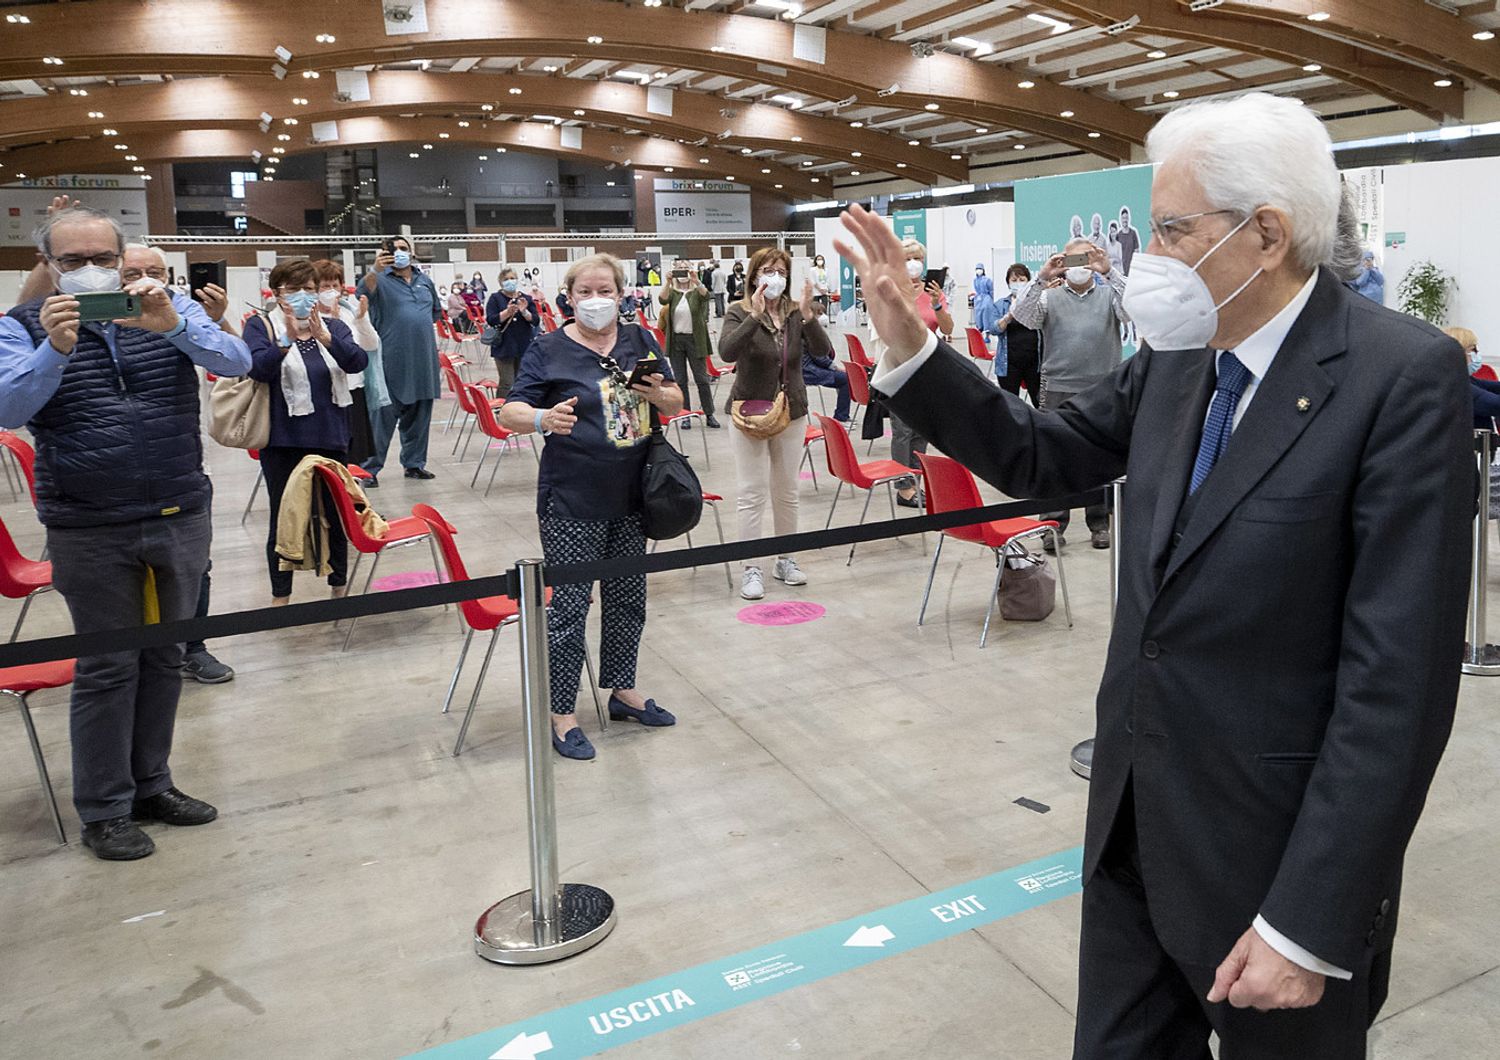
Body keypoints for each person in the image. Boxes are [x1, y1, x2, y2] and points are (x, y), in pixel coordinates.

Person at [839, 90, 1473, 1060]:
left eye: (1173, 231)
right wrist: (914, 346)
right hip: (1136, 839)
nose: (1152, 259)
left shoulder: (1400, 380)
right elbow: (1048, 454)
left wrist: (1308, 919)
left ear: (1265, 234)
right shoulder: (1180, 360)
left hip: (1273, 873)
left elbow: (1397, 690)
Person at [0, 204, 253, 860]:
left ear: (122, 260)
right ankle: (104, 807)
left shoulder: (165, 308)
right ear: (50, 267)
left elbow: (235, 360)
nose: (90, 272)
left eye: (101, 259)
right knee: (108, 666)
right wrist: (53, 351)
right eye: (73, 262)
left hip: (177, 508)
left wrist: (175, 329)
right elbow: (7, 406)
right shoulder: (22, 326)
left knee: (165, 656)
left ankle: (152, 784)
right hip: (89, 524)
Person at [497, 254, 684, 762]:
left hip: (634, 493)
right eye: (585, 291)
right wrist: (541, 418)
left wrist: (659, 392)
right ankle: (562, 713)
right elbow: (510, 410)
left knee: (627, 598)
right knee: (570, 609)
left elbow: (674, 397)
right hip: (572, 497)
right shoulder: (548, 349)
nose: (596, 299)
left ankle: (622, 691)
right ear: (570, 296)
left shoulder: (640, 339)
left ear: (622, 294)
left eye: (606, 289)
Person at [244, 259, 368, 605]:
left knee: (335, 513)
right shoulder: (261, 326)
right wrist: (284, 341)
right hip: (283, 440)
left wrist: (328, 339)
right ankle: (280, 596)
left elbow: (357, 362)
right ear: (277, 293)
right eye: (293, 290)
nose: (303, 297)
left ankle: (339, 588)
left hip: (331, 436)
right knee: (284, 517)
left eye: (310, 290)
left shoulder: (333, 325)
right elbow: (257, 369)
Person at [719, 248, 834, 600]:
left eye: (781, 270)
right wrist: (755, 315)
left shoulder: (794, 313)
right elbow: (726, 352)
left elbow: (823, 353)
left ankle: (786, 558)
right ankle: (751, 567)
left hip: (791, 410)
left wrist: (809, 315)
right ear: (754, 276)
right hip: (749, 412)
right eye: (767, 270)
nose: (774, 277)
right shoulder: (738, 312)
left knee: (786, 492)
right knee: (751, 493)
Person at [1010, 236, 1130, 550]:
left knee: (1101, 459)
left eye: (1086, 259)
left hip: (1102, 388)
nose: (1081, 267)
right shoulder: (1050, 298)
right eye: (1074, 260)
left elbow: (1135, 309)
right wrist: (1041, 277)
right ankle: (1052, 524)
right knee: (1054, 458)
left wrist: (1110, 271)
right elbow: (1022, 316)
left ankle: (1099, 522)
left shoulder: (1108, 295)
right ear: (1063, 262)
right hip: (1057, 388)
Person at [872, 236, 952, 508]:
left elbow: (948, 328)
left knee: (922, 430)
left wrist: (937, 303)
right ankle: (903, 485)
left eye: (917, 258)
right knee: (903, 430)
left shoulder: (933, 292)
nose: (913, 264)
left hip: (929, 367)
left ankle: (917, 478)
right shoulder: (891, 290)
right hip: (901, 367)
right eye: (907, 259)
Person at [361, 236, 441, 484]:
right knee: (382, 418)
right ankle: (369, 470)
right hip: (390, 361)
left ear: (412, 252)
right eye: (393, 250)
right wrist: (375, 269)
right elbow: (362, 292)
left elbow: (435, 313)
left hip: (423, 362)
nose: (399, 253)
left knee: (419, 417)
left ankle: (414, 464)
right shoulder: (379, 280)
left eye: (403, 249)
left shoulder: (424, 281)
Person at [311, 259, 383, 469]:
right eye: (325, 285)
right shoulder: (311, 317)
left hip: (353, 389)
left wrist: (361, 320)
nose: (331, 290)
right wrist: (333, 323)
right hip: (326, 392)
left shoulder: (350, 311)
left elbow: (371, 345)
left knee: (355, 456)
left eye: (335, 284)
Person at [657, 265, 719, 428]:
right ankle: (684, 415)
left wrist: (696, 280)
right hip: (676, 340)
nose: (682, 271)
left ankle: (709, 413)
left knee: (702, 379)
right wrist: (668, 282)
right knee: (680, 380)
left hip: (695, 340)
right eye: (679, 268)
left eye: (686, 268)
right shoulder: (673, 293)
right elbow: (662, 299)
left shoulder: (696, 292)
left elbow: (706, 296)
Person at [485, 267, 537, 399]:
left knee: (522, 381)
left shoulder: (526, 298)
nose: (510, 281)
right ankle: (501, 408)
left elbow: (535, 320)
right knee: (507, 382)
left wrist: (524, 311)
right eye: (506, 279)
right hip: (504, 346)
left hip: (523, 345)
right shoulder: (495, 298)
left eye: (512, 278)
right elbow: (491, 319)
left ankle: (519, 406)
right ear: (501, 282)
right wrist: (507, 312)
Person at [994, 264, 1041, 401]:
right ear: (1008, 283)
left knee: (1040, 403)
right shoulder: (1000, 304)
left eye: (1022, 279)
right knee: (1010, 405)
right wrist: (1009, 316)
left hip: (1035, 363)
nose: (1018, 283)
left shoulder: (1038, 302)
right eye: (1014, 280)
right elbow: (994, 329)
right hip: (1009, 364)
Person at [970, 262, 1000, 338]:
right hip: (978, 299)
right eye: (977, 269)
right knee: (978, 315)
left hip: (986, 299)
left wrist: (992, 299)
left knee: (986, 315)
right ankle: (979, 332)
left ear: (983, 270)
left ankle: (987, 335)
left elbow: (991, 291)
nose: (978, 270)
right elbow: (976, 290)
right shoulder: (975, 280)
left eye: (980, 269)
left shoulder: (987, 280)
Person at [1116, 205, 1141, 275]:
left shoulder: (1133, 233)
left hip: (1132, 269)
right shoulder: (1118, 235)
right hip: (1121, 270)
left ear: (1129, 219)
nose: (1125, 220)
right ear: (1120, 219)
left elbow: (1137, 251)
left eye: (1126, 218)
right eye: (1123, 218)